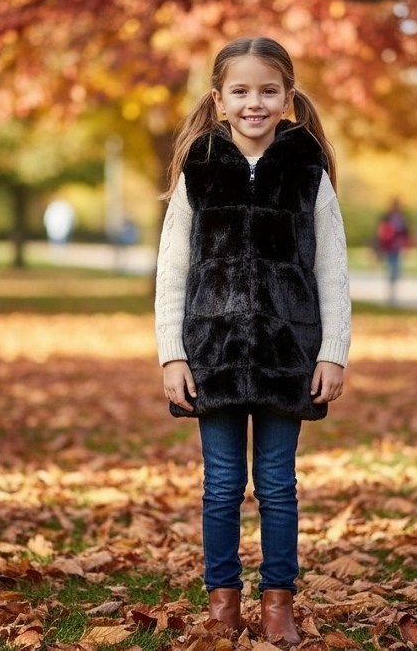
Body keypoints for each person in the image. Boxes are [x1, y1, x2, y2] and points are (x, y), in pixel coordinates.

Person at [154, 37, 351, 645]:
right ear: (219, 99)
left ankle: (277, 604)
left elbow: (333, 270)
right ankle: (221, 604)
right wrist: (171, 353)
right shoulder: (200, 168)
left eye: (268, 91)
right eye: (240, 91)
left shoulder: (307, 170)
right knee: (220, 484)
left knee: (275, 482)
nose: (254, 103)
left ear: (287, 97)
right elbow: (172, 268)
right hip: (210, 354)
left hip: (285, 356)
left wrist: (333, 350)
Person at [375, 198, 410, 306]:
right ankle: (391, 291)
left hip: (397, 246)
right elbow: (381, 231)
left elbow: (405, 232)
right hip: (389, 246)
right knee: (392, 267)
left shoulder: (401, 218)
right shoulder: (387, 217)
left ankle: (393, 290)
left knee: (395, 268)